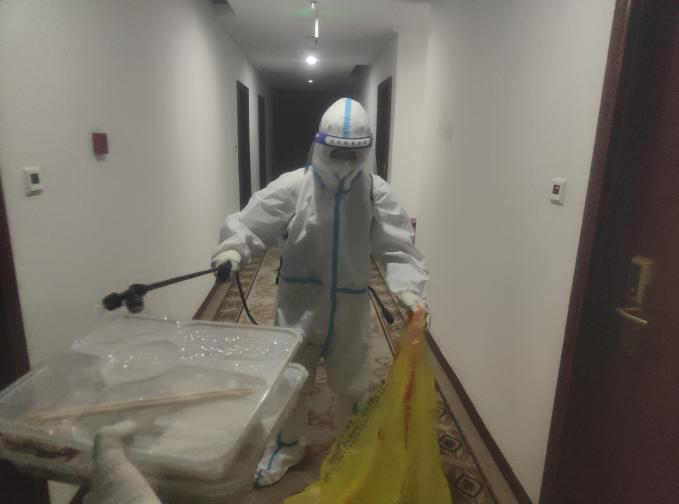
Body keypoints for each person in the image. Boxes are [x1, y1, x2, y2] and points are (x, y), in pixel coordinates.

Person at [212, 97, 429, 486]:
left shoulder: (375, 192)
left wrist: (410, 290)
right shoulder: (295, 186)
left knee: (353, 383)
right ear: (321, 146)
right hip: (298, 305)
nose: (344, 162)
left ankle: (351, 449)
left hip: (349, 306)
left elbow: (398, 246)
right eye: (336, 153)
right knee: (291, 382)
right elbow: (250, 223)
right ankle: (286, 447)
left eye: (352, 154)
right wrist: (232, 249)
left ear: (364, 151)